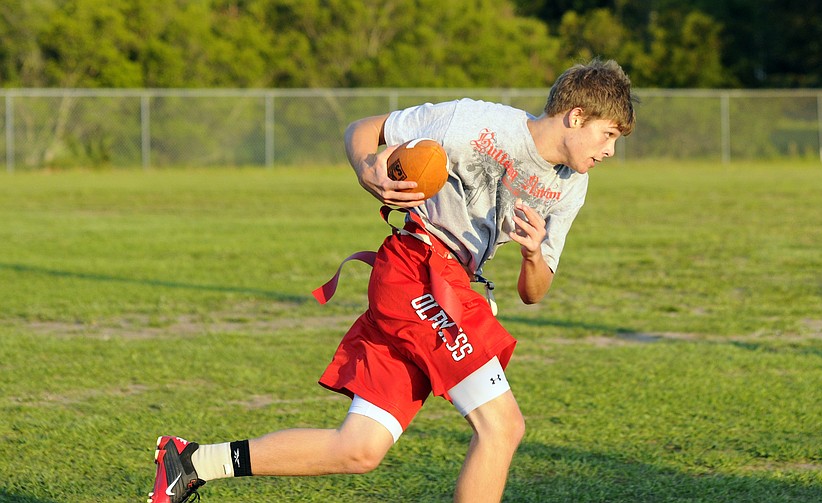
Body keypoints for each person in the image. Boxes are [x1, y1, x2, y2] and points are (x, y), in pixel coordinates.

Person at [147, 58, 636, 503]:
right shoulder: (474, 121)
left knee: (358, 449)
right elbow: (365, 129)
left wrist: (532, 255)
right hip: (418, 269)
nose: (611, 150)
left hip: (444, 284)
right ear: (574, 116)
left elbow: (534, 291)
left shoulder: (571, 186)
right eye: (607, 134)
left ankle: (189, 463)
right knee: (502, 428)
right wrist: (368, 170)